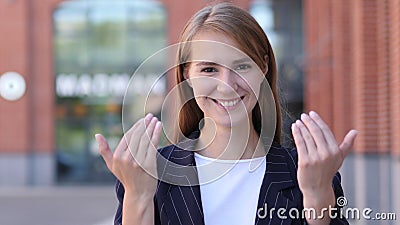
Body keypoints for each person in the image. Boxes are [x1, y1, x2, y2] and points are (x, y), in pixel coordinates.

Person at [95, 3, 358, 225]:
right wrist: (139, 197)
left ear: (263, 68)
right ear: (187, 74)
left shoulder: (308, 172)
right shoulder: (151, 172)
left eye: (242, 65)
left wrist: (316, 196)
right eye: (209, 69)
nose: (227, 85)